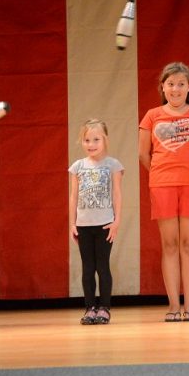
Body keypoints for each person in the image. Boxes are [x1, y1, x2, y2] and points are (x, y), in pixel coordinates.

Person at [139, 62, 189, 322]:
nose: (175, 89)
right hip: (163, 185)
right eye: (170, 84)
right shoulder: (152, 116)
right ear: (163, 87)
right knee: (170, 244)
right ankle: (174, 305)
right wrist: (162, 174)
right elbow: (143, 154)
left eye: (181, 84)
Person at [69, 119, 124, 325]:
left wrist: (117, 221)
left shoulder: (113, 165)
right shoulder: (78, 167)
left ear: (105, 140)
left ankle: (105, 308)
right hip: (83, 225)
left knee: (103, 266)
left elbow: (117, 194)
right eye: (86, 140)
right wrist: (72, 223)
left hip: (105, 224)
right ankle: (90, 307)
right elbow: (73, 196)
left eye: (96, 139)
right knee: (87, 267)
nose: (91, 144)